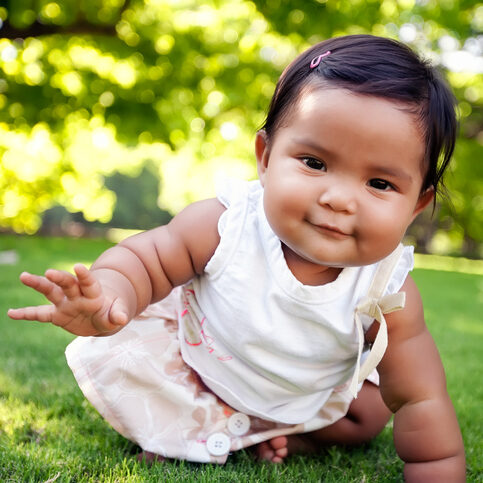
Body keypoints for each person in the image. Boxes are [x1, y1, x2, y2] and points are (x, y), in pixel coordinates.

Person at [8, 34, 465, 481]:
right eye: (314, 163)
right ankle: (187, 435)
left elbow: (420, 398)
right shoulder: (226, 225)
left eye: (380, 184)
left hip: (303, 393)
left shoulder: (388, 290)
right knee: (152, 380)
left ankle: (280, 433)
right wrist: (110, 294)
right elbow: (147, 260)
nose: (339, 199)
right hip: (203, 367)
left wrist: (435, 466)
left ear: (416, 206)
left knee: (368, 414)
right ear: (265, 158)